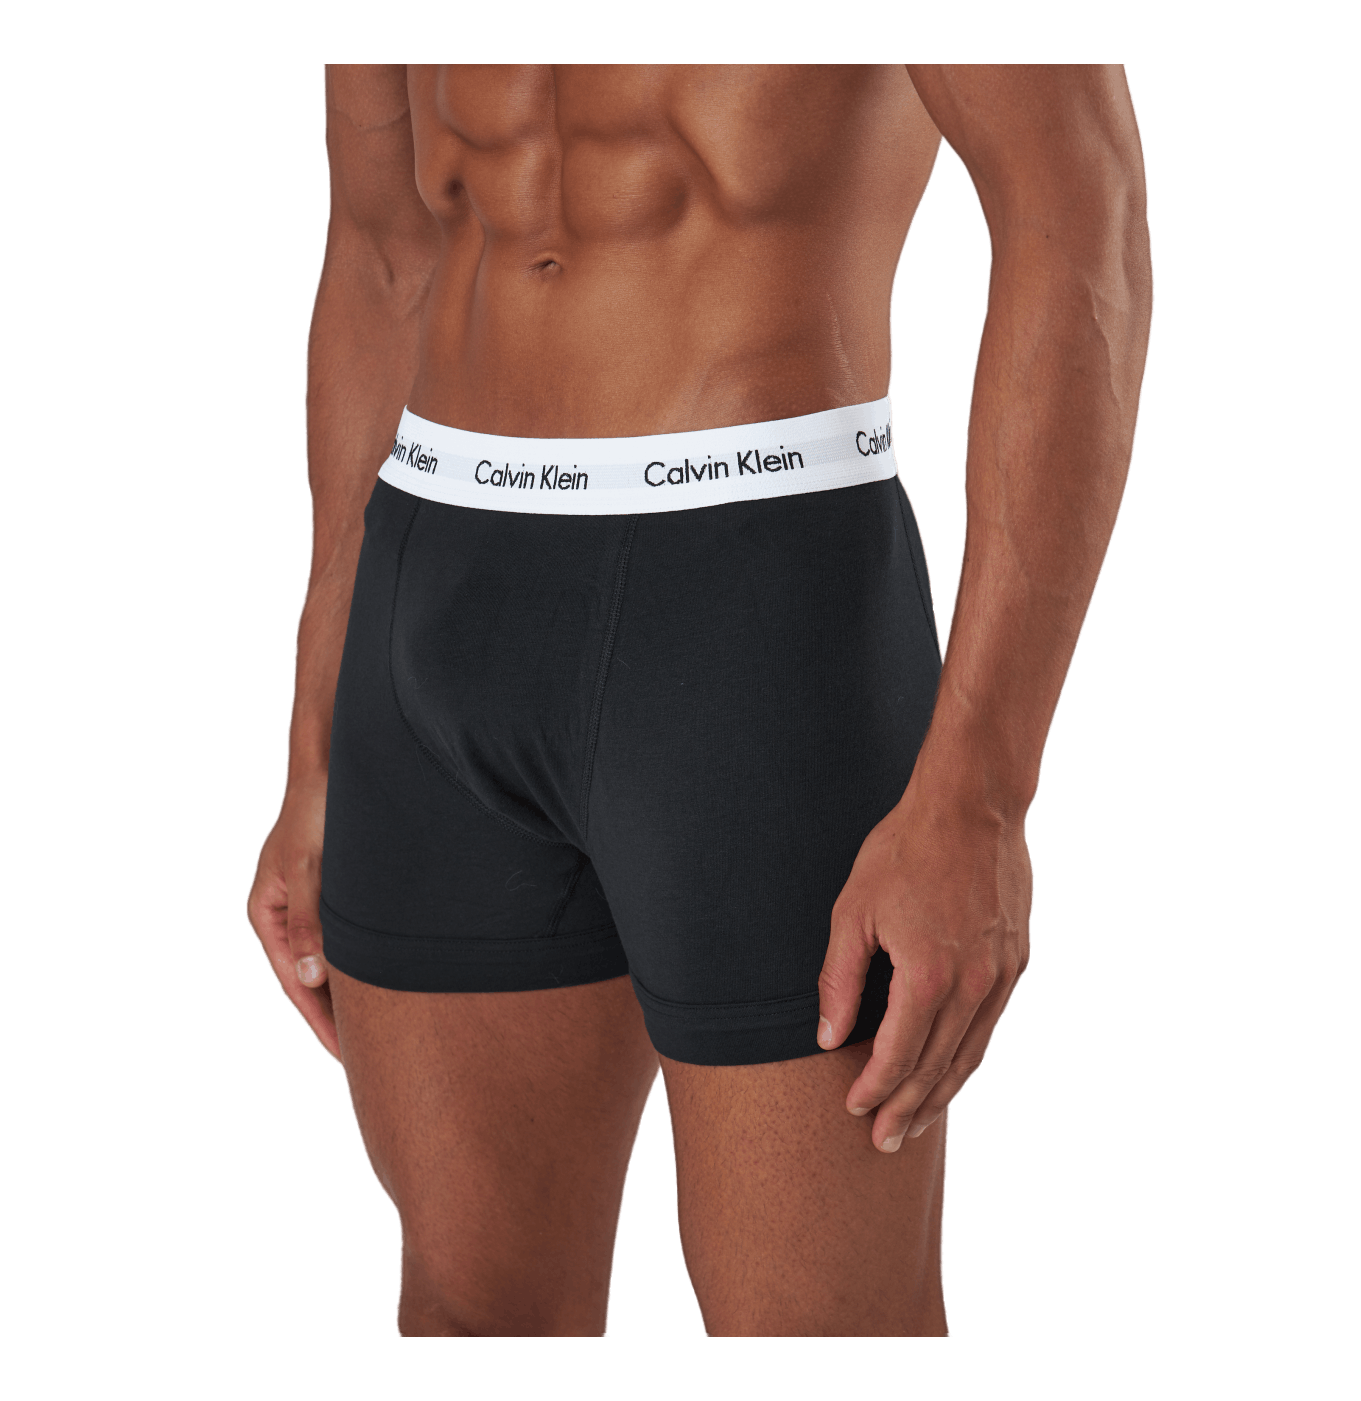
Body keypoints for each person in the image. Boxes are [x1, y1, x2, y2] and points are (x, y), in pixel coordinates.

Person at [247, 64, 1154, 1338]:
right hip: (436, 590)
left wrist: (982, 796)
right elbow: (382, 249)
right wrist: (314, 747)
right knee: (465, 1308)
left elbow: (1080, 218)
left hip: (754, 607)